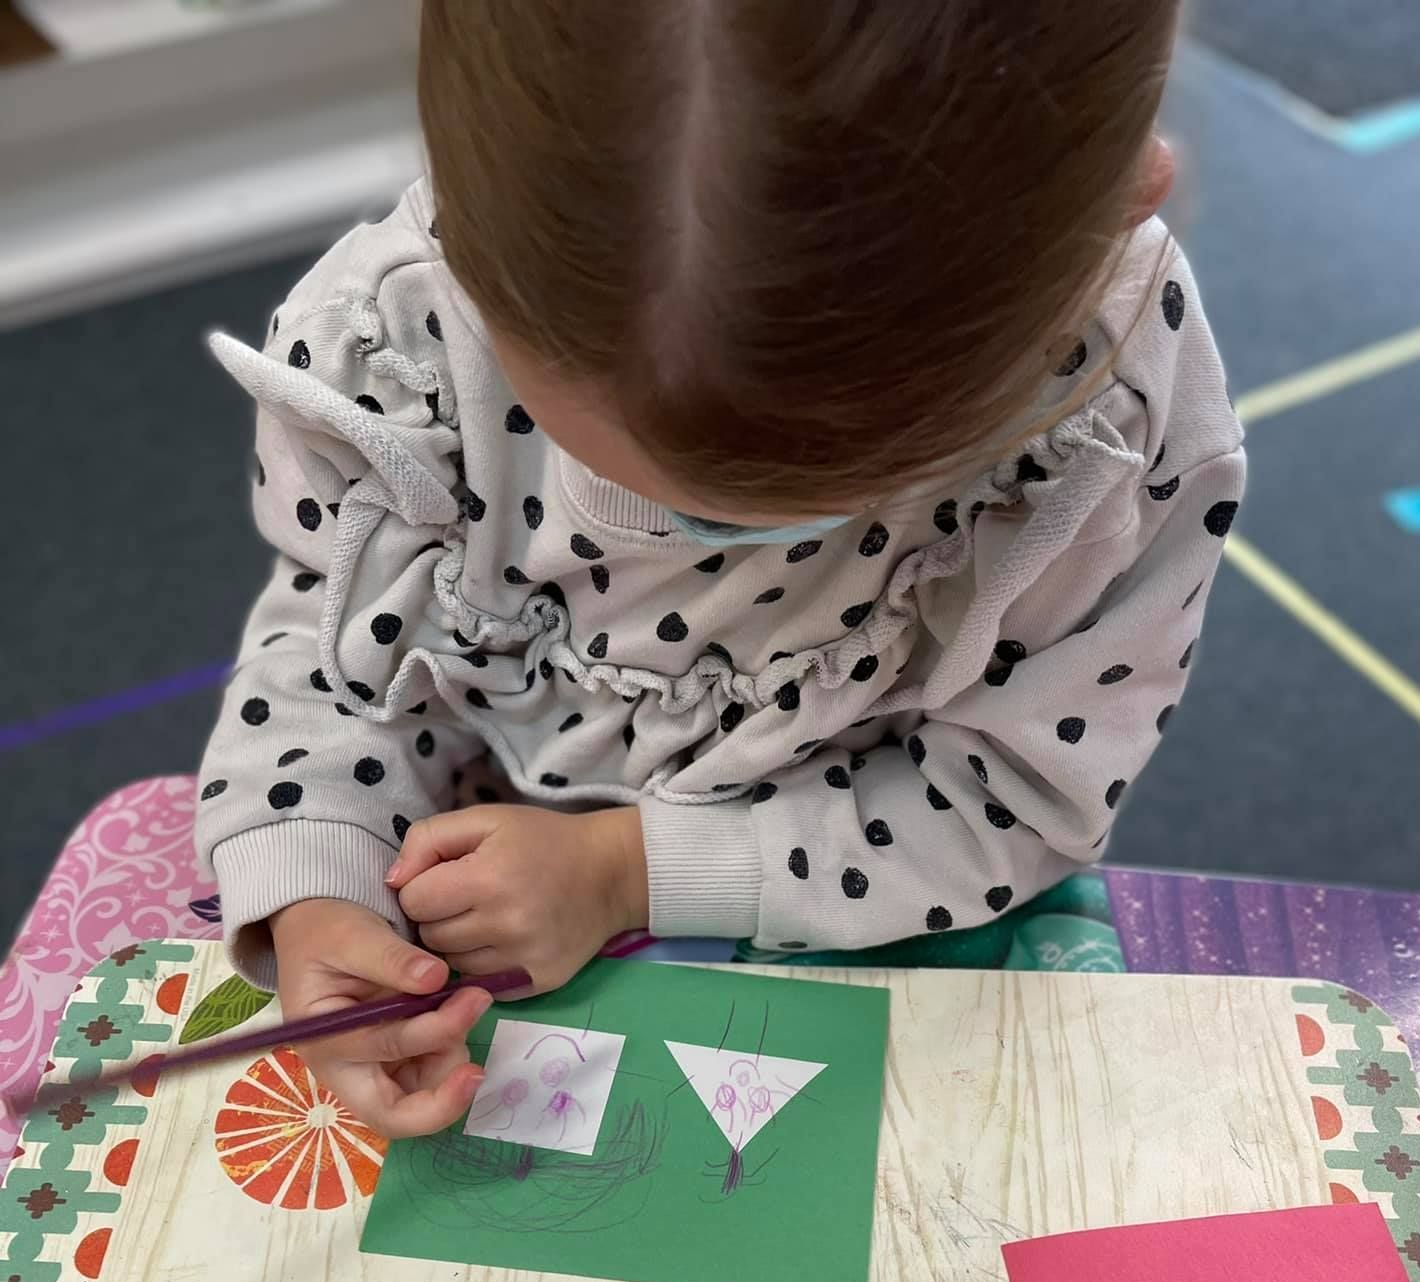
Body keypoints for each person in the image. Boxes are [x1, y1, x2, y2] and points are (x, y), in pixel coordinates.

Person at [196, 0, 1244, 1137]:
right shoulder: (395, 342)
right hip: (464, 875)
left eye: (781, 509)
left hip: (879, 903)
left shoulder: (1107, 436)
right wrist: (315, 875)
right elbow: (334, 638)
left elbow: (1014, 804)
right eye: (619, 481)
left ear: (1126, 201)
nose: (677, 532)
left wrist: (630, 870)